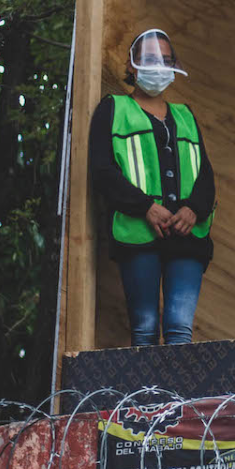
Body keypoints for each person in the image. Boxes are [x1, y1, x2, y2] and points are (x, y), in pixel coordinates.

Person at [89, 28, 215, 346]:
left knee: (179, 329)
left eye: (165, 58)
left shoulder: (185, 115)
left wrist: (193, 209)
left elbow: (205, 174)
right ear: (131, 65)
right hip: (139, 236)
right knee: (144, 328)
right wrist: (144, 206)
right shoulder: (113, 109)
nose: (157, 64)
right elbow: (103, 170)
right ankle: (147, 398)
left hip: (187, 237)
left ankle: (179, 398)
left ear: (175, 65)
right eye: (148, 57)